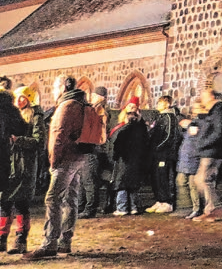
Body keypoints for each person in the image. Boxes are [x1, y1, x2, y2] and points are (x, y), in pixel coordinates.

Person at [25, 76, 88, 261]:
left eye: (54, 87)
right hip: (77, 157)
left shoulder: (66, 106)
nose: (52, 91)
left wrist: (53, 160)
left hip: (64, 159)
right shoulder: (80, 103)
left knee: (53, 199)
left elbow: (59, 135)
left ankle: (49, 243)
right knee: (71, 198)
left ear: (63, 87)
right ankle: (65, 241)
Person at [2, 87, 44, 254]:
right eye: (17, 98)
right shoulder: (12, 115)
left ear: (29, 98)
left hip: (25, 166)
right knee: (4, 203)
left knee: (21, 203)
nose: (19, 101)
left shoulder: (35, 116)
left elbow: (38, 141)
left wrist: (18, 140)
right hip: (9, 165)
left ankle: (21, 240)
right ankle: (1, 239)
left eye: (22, 98)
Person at [191, 88, 222, 222]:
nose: (202, 99)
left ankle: (213, 208)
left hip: (213, 151)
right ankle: (211, 209)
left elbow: (218, 133)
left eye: (204, 96)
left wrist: (202, 144)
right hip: (210, 151)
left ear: (212, 97)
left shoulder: (219, 112)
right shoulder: (214, 112)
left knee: (203, 180)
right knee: (202, 180)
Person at [111, 98, 150, 216]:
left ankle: (123, 208)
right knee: (131, 184)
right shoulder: (132, 127)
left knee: (124, 184)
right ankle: (133, 207)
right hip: (129, 159)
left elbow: (116, 143)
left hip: (127, 159)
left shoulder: (135, 127)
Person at [76, 88, 110, 219]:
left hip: (92, 149)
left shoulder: (100, 111)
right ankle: (81, 206)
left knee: (89, 180)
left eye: (95, 95)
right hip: (86, 148)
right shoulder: (92, 109)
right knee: (83, 180)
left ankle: (90, 208)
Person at [145, 96, 179, 214]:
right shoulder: (160, 117)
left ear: (166, 104)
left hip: (165, 154)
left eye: (160, 103)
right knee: (156, 177)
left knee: (163, 176)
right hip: (156, 153)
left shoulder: (169, 118)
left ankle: (167, 201)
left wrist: (159, 147)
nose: (157, 105)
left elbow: (169, 136)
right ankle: (159, 200)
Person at [174, 108, 202, 219]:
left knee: (193, 185)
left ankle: (196, 208)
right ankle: (186, 207)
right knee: (181, 182)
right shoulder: (188, 128)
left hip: (193, 160)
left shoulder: (196, 125)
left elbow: (194, 142)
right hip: (185, 160)